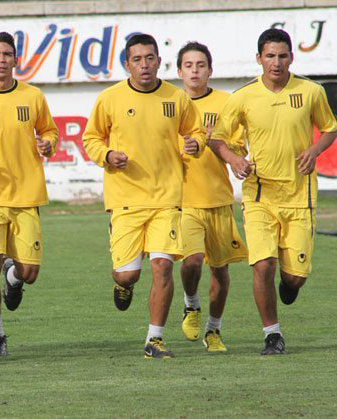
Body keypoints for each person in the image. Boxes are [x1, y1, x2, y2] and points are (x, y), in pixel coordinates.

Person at [210, 28, 337, 355]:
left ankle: (289, 282)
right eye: (270, 56)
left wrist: (315, 150)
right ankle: (272, 334)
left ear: (291, 58)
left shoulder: (310, 91)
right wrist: (234, 159)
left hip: (300, 198)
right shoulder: (243, 96)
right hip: (259, 196)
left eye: (282, 56)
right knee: (262, 264)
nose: (276, 62)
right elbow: (218, 139)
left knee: (294, 279)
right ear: (259, 58)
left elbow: (330, 128)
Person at [82, 34, 206, 358]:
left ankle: (154, 339)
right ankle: (122, 285)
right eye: (137, 59)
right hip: (125, 198)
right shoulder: (110, 99)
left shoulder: (177, 99)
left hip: (167, 198)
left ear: (158, 61)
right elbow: (91, 138)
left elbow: (196, 131)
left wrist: (196, 144)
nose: (144, 65)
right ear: (127, 64)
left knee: (163, 266)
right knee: (129, 273)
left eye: (149, 58)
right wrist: (107, 155)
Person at [0, 32, 58, 356]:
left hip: (26, 194)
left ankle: (15, 278)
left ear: (15, 60)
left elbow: (49, 130)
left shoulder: (33, 96)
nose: (1, 59)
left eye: (6, 54)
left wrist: (47, 143)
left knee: (30, 272)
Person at [176, 42, 248, 352]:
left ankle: (214, 330)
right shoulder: (170, 104)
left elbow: (240, 148)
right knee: (191, 262)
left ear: (210, 69)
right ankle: (191, 304)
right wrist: (187, 145)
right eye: (189, 65)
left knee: (220, 270)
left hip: (219, 199)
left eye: (200, 64)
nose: (195, 70)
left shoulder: (226, 103)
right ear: (179, 71)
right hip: (183, 200)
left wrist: (218, 146)